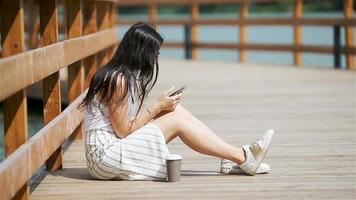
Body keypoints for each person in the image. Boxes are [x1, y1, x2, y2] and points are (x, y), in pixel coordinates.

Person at [79, 22, 274, 181]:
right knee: (175, 120)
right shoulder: (117, 80)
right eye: (154, 53)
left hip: (111, 150)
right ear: (141, 52)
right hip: (104, 158)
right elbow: (122, 131)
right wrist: (155, 108)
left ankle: (232, 155)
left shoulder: (122, 76)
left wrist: (161, 108)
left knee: (176, 111)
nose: (156, 57)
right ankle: (242, 157)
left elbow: (122, 129)